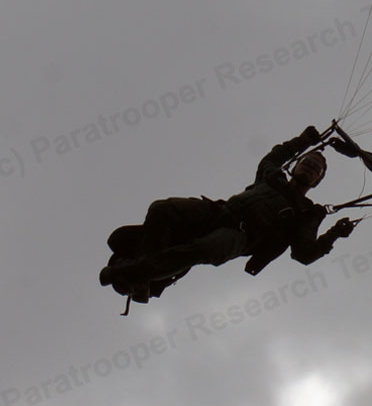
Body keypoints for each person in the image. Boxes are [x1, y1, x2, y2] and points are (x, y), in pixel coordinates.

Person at [99, 126, 356, 306]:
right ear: (296, 165)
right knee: (162, 209)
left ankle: (135, 272)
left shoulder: (306, 212)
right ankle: (149, 279)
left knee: (202, 248)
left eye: (316, 169)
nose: (310, 168)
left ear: (318, 180)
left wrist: (334, 234)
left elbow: (304, 253)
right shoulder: (271, 176)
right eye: (308, 162)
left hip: (241, 236)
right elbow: (274, 156)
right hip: (218, 211)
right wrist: (303, 140)